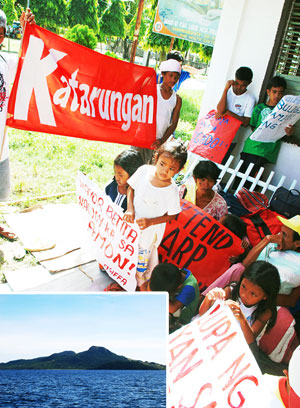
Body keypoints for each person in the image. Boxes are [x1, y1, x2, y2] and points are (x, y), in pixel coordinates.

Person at [199, 261, 289, 374]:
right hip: (213, 337)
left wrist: (242, 318)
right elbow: (203, 314)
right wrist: (209, 298)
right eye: (243, 286)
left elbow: (250, 339)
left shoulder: (265, 312)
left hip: (236, 347)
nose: (244, 295)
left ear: (265, 296)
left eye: (253, 294)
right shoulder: (231, 292)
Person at [123, 140, 187, 287]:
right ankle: (122, 277)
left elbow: (173, 215)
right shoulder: (144, 171)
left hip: (149, 233)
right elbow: (131, 188)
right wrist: (130, 209)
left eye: (171, 168)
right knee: (126, 253)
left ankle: (138, 287)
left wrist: (151, 222)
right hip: (131, 224)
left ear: (179, 170)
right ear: (156, 158)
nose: (164, 171)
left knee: (141, 264)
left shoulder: (171, 190)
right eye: (162, 164)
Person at [0, 8, 35, 240]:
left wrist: (27, 29)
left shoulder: (5, 61)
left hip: (1, 144)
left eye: (1, 31)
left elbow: (28, 58)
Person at [240, 76, 294, 177]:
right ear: (268, 91)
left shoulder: (286, 112)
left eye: (280, 92)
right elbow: (253, 127)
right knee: (240, 177)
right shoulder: (259, 108)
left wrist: (289, 132)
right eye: (274, 92)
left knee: (252, 182)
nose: (277, 95)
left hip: (266, 151)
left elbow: (287, 131)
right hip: (250, 147)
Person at [136, 59, 183, 164]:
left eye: (176, 77)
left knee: (149, 170)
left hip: (158, 141)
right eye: (170, 75)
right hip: (142, 137)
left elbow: (173, 124)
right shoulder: (152, 90)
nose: (173, 79)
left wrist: (162, 140)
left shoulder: (177, 99)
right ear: (163, 74)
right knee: (133, 166)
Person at [140, 262, 200, 333]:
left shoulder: (189, 287)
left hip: (181, 323)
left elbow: (172, 308)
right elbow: (143, 286)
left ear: (178, 287)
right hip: (167, 308)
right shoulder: (164, 274)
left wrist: (151, 292)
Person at [216, 66, 256, 164]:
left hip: (231, 138)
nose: (239, 87)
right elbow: (220, 111)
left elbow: (246, 123)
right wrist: (225, 90)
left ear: (249, 83)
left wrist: (228, 112)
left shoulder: (250, 99)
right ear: (234, 79)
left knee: (221, 165)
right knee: (209, 162)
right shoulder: (228, 92)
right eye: (237, 83)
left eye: (243, 85)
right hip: (217, 134)